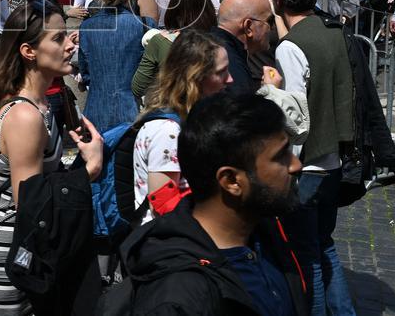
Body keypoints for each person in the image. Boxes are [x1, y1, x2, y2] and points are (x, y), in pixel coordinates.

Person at [0, 2, 103, 315]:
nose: (70, 43)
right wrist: (89, 169)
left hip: (14, 255)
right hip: (8, 264)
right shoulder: (25, 115)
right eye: (58, 38)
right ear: (28, 51)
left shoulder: (28, 101)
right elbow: (32, 205)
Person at [120, 93, 307, 316]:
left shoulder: (266, 235)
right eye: (281, 156)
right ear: (231, 181)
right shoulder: (177, 299)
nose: (296, 165)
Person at [271, 0, 356, 316]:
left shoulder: (291, 46)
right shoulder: (333, 30)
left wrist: (269, 91)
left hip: (306, 163)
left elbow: (294, 114)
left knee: (307, 257)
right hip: (334, 156)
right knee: (325, 246)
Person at [133, 30, 232, 225]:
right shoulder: (167, 132)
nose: (230, 79)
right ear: (195, 79)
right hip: (171, 244)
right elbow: (163, 205)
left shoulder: (192, 120)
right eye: (221, 72)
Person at [79, 0, 155, 133]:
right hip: (134, 113)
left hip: (96, 112)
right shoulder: (146, 25)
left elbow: (86, 74)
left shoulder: (87, 26)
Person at [132, 0, 217, 98]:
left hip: (172, 110)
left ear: (174, 12)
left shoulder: (159, 42)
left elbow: (138, 88)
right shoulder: (220, 42)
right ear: (208, 10)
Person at [210, 0, 275, 97]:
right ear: (248, 27)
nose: (272, 28)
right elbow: (242, 112)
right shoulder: (232, 71)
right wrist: (271, 92)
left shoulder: (209, 46)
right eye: (270, 21)